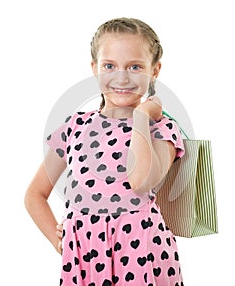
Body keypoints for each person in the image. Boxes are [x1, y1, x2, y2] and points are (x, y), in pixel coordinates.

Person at [25, 17, 185, 286]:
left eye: (135, 67)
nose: (122, 77)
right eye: (109, 66)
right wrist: (62, 243)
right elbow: (35, 194)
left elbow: (140, 180)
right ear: (95, 69)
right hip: (85, 258)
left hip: (141, 254)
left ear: (154, 71)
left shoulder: (162, 128)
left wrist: (142, 117)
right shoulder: (75, 126)